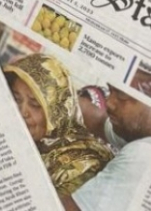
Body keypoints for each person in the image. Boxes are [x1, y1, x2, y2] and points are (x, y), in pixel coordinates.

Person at [4, 54, 113, 196]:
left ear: (56, 111)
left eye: (35, 104)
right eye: (17, 99)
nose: (22, 111)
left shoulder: (83, 165)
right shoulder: (23, 138)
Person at [62, 74, 151, 210]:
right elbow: (99, 121)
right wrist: (51, 94)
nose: (109, 103)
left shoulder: (142, 155)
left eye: (121, 95)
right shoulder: (140, 131)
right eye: (110, 90)